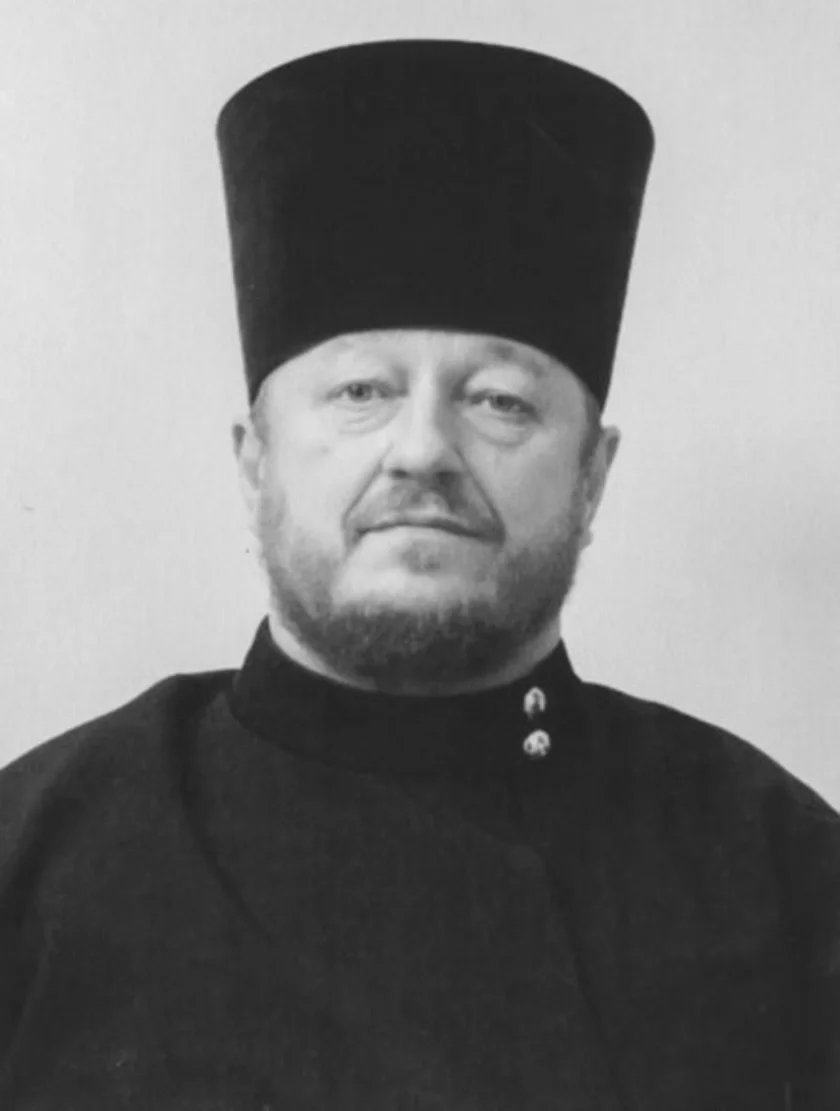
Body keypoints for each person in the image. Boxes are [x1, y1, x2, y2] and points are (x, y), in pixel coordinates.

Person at [0, 39, 837, 1111]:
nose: (424, 449)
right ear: (254, 461)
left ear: (593, 476)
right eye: (362, 391)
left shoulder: (782, 870)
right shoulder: (36, 859)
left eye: (500, 401)